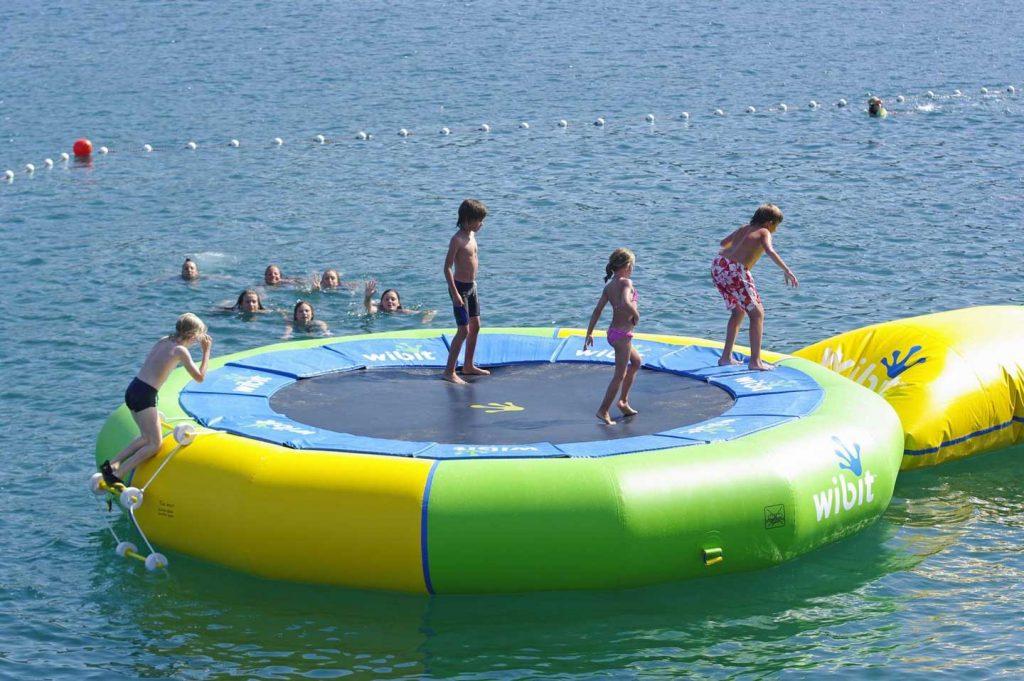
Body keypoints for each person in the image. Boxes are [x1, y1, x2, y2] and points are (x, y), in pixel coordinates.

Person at [101, 314, 212, 484]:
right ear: (192, 335)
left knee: (146, 437)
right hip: (145, 395)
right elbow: (200, 377)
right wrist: (206, 351)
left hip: (133, 388)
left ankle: (112, 464)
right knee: (155, 444)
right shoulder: (180, 350)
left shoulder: (164, 340)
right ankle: (118, 474)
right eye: (197, 338)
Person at [712, 203, 798, 371]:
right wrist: (787, 270)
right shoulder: (764, 232)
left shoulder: (744, 228)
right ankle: (755, 362)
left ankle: (725, 358)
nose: (776, 230)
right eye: (776, 225)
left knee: (738, 311)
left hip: (718, 265)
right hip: (735, 270)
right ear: (769, 223)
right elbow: (770, 250)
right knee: (757, 313)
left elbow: (723, 243)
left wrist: (740, 247)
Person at [584, 248, 642, 425]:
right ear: (628, 265)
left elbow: (597, 310)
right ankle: (603, 410)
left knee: (636, 362)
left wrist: (589, 333)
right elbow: (625, 302)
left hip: (613, 333)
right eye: (632, 265)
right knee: (619, 375)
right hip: (623, 335)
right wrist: (636, 315)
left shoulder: (609, 286)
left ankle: (623, 402)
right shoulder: (626, 282)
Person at [443, 199, 489, 383]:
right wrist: (454, 293)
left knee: (475, 327)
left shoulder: (471, 235)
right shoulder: (457, 240)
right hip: (460, 289)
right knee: (463, 330)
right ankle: (449, 371)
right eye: (479, 220)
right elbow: (447, 267)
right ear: (467, 220)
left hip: (472, 287)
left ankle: (468, 365)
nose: (481, 224)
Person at [363, 280, 437, 321]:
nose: (390, 301)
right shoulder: (379, 310)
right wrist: (368, 297)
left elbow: (431, 312)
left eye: (393, 299)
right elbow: (368, 307)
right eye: (386, 299)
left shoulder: (402, 311)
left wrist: (426, 319)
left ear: (398, 303)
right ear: (382, 303)